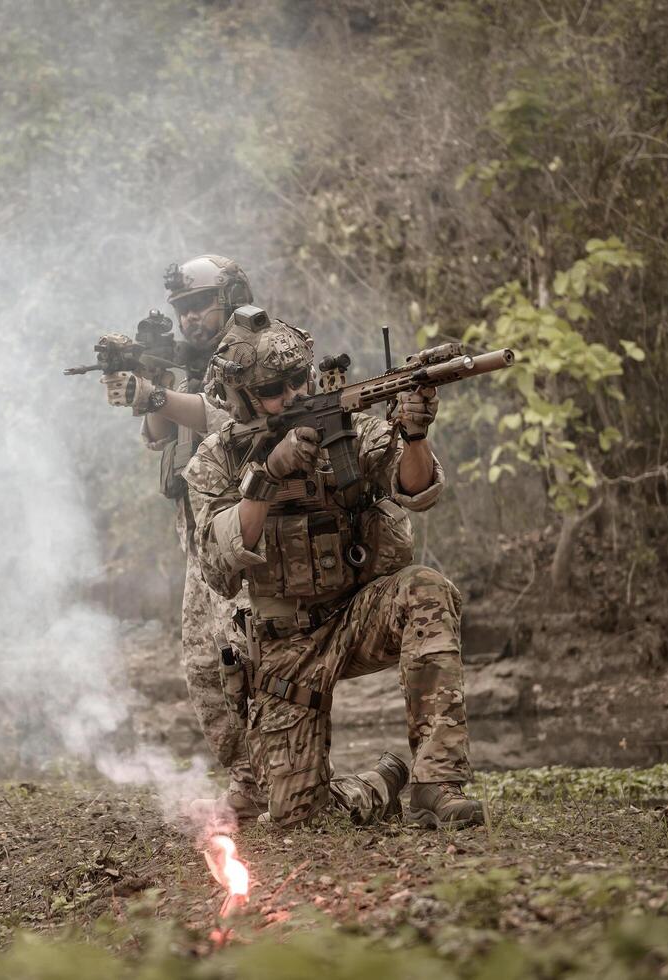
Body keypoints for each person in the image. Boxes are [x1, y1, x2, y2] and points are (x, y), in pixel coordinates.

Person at [182, 308, 484, 829]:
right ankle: (381, 782)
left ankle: (437, 782)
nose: (294, 394)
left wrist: (414, 434)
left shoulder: (345, 430)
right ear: (242, 397)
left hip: (358, 615)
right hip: (286, 644)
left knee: (426, 590)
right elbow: (218, 563)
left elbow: (414, 490)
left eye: (299, 378)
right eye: (276, 387)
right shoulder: (216, 460)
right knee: (298, 818)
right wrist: (267, 475)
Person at [99, 255, 266, 817]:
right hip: (199, 543)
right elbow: (158, 435)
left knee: (249, 658)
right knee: (202, 667)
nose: (191, 318)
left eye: (201, 305)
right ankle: (247, 781)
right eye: (183, 310)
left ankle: (284, 772)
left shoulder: (256, 350)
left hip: (245, 536)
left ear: (232, 297)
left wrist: (152, 394)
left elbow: (228, 420)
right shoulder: (194, 363)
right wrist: (151, 383)